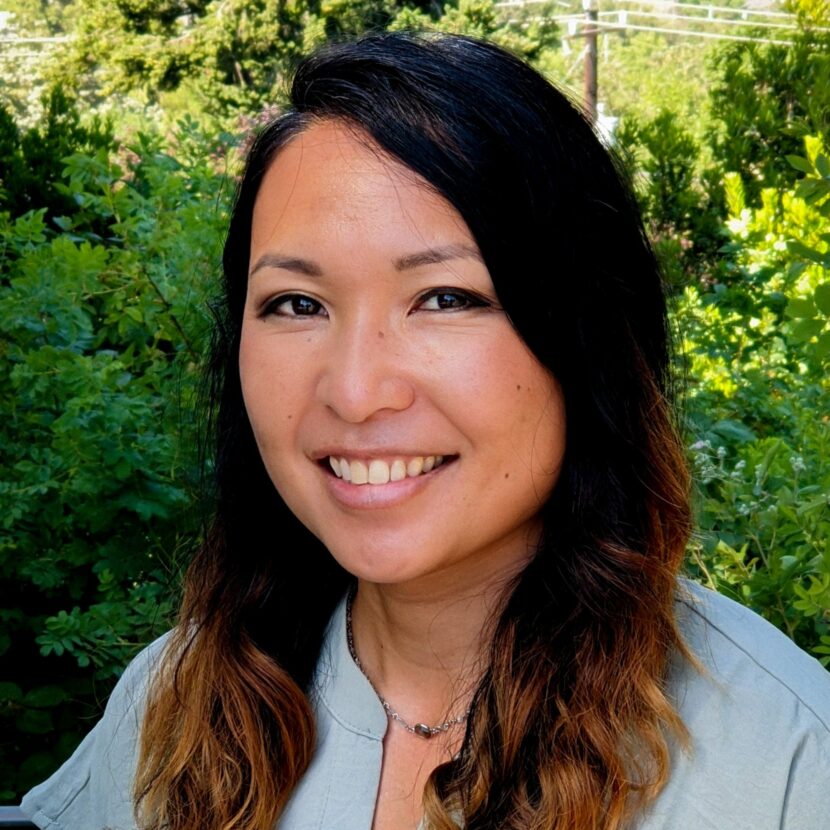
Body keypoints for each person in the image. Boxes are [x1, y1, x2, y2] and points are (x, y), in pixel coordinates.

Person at [20, 31, 830, 830]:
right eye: (296, 304)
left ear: (585, 337)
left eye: (444, 298)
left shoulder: (786, 764)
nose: (356, 390)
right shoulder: (177, 699)